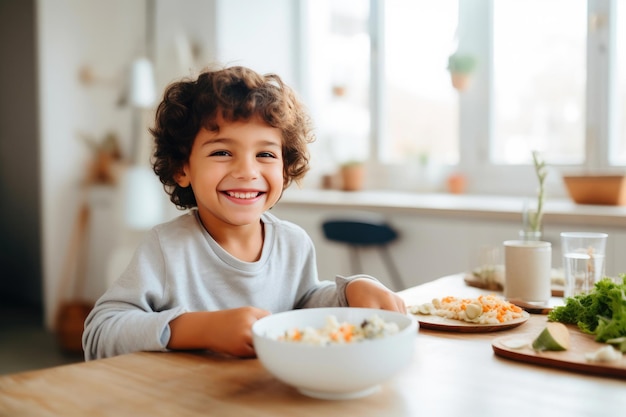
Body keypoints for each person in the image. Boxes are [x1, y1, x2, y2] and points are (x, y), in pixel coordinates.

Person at [82, 65, 406, 361]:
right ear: (183, 168)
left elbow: (305, 302)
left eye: (265, 153)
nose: (247, 171)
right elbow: (99, 333)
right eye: (222, 152)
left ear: (285, 167)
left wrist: (350, 291)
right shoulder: (167, 248)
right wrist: (200, 328)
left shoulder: (293, 243)